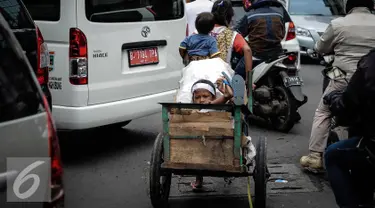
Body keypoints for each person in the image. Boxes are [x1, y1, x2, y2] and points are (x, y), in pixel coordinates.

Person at [300, 0, 375, 173]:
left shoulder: (338, 24)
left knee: (324, 111)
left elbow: (320, 47)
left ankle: (314, 157)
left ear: (348, 6)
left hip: (344, 79)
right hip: (372, 82)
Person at [323, 48, 375, 208]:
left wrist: (333, 99)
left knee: (332, 155)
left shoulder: (370, 64)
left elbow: (347, 106)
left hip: (372, 142)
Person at [190, 78, 234, 190]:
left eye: (205, 96)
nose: (201, 100)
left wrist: (225, 91)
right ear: (193, 99)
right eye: (197, 97)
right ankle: (198, 179)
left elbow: (228, 96)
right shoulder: (193, 111)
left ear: (213, 97)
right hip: (199, 144)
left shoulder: (214, 106)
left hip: (218, 142)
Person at [209, 0, 253, 84]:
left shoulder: (200, 31)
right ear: (230, 16)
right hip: (222, 79)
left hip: (201, 76)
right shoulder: (233, 35)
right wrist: (248, 80)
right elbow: (247, 50)